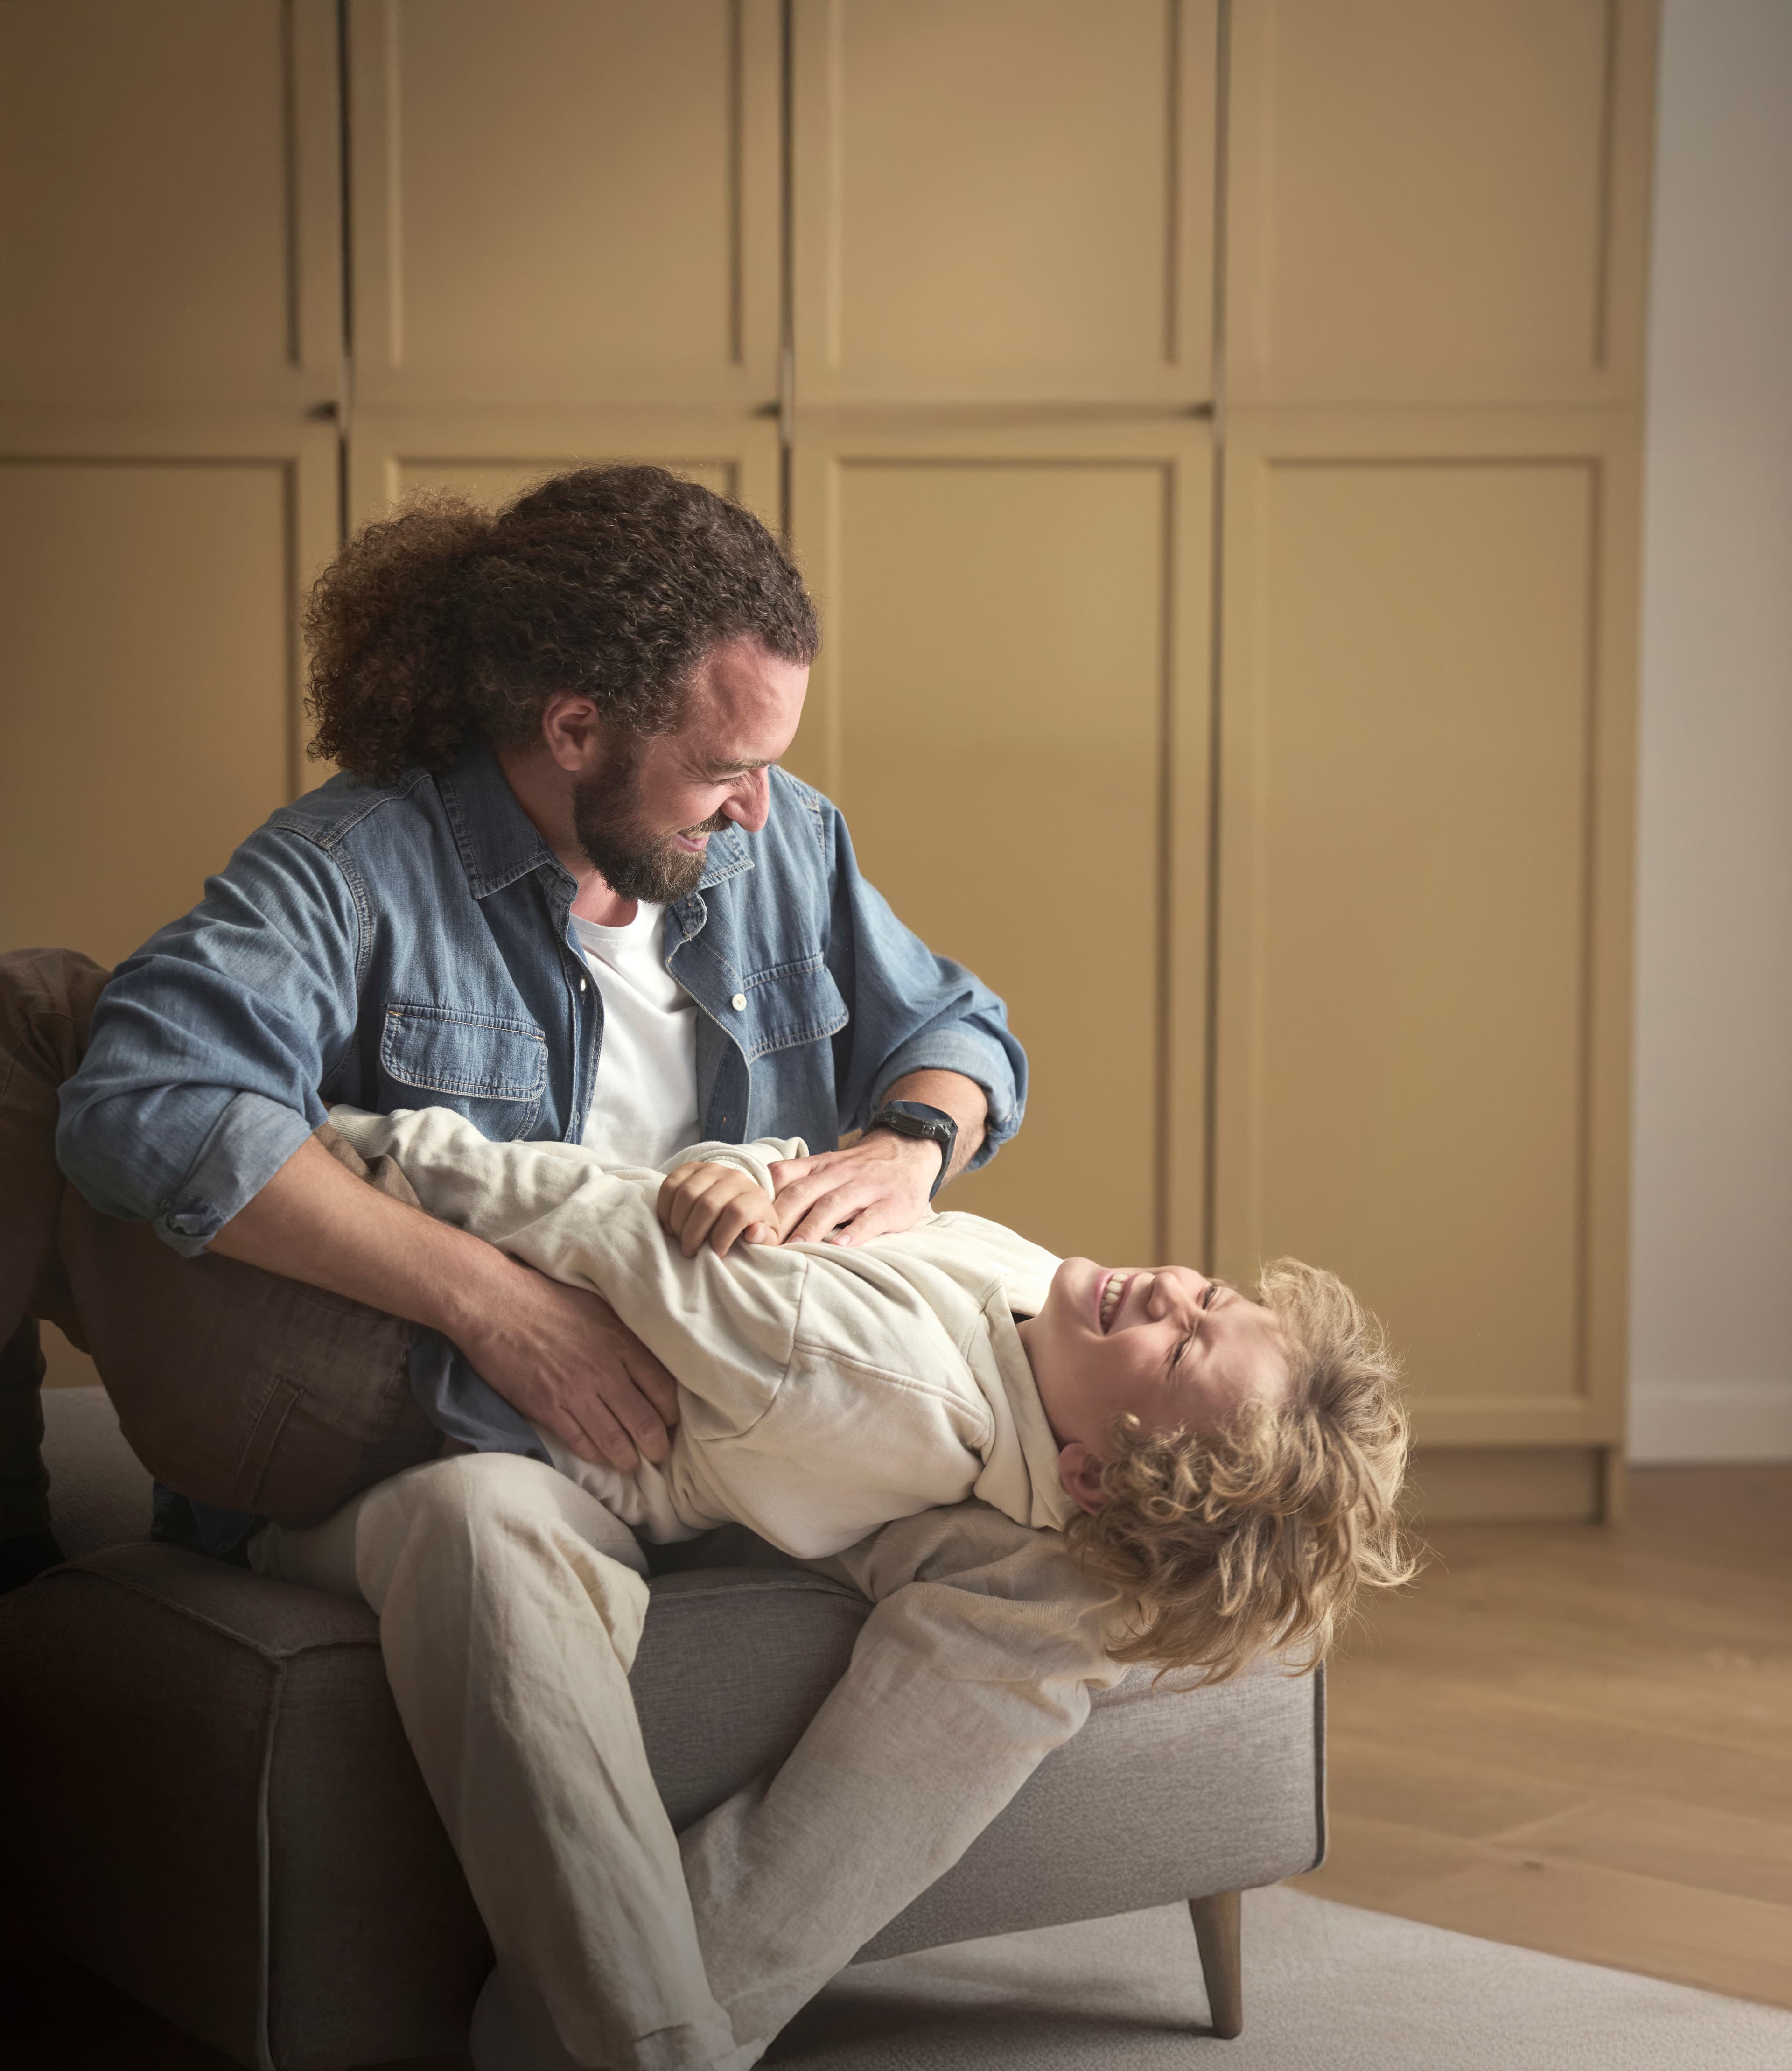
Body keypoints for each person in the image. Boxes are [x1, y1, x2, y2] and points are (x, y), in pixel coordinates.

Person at [254, 1108, 1411, 2071]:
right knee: (484, 1521)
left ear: (1089, 1473)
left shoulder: (905, 1387)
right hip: (439, 1447)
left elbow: (935, 1048)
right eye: (1201, 1294)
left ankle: (631, 2026)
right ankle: (647, 2043)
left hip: (731, 1438)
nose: (1166, 1287)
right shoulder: (957, 1312)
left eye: (1177, 1345)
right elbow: (608, 1215)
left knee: (1087, 1594)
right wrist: (377, 1148)